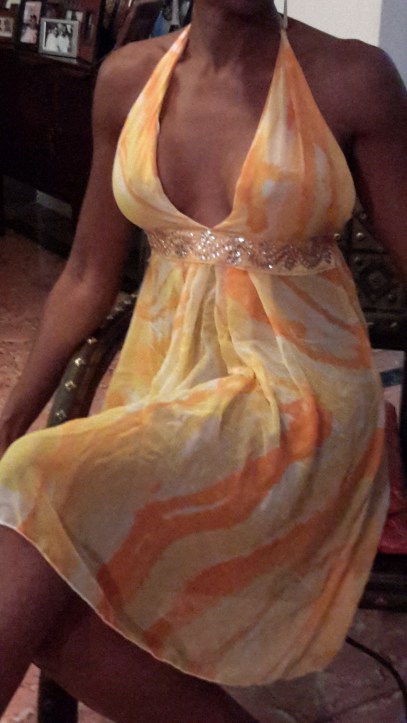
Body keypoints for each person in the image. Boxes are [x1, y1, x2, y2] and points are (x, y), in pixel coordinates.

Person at [0, 0, 406, 720]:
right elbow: (87, 275)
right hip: (160, 387)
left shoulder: (352, 77)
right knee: (33, 579)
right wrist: (7, 421)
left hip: (300, 402)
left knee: (32, 489)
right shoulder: (126, 80)